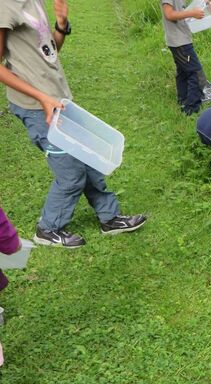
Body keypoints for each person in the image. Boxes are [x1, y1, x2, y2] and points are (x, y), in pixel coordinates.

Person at [0, 0, 146, 248]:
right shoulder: (5, 6)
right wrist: (42, 98)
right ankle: (48, 228)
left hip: (58, 100)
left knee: (88, 159)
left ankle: (109, 217)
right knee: (71, 172)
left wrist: (61, 25)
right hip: (37, 107)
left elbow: (49, 52)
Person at [160, 0, 209, 115]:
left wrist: (202, 3)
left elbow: (180, 9)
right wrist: (192, 13)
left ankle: (183, 101)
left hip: (179, 40)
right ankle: (191, 109)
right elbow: (169, 14)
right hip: (179, 42)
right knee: (197, 75)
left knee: (183, 72)